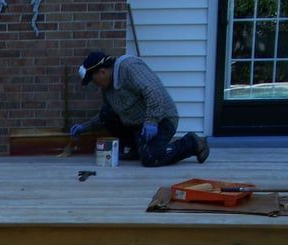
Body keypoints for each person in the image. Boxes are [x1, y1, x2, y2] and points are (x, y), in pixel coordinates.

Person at [70, 51, 209, 167]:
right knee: (107, 113)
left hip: (162, 119)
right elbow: (103, 117)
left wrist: (152, 121)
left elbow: (154, 92)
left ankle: (192, 143)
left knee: (151, 157)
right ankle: (136, 149)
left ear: (102, 72)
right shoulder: (107, 88)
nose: (96, 85)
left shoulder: (129, 67)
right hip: (139, 125)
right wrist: (84, 127)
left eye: (94, 80)